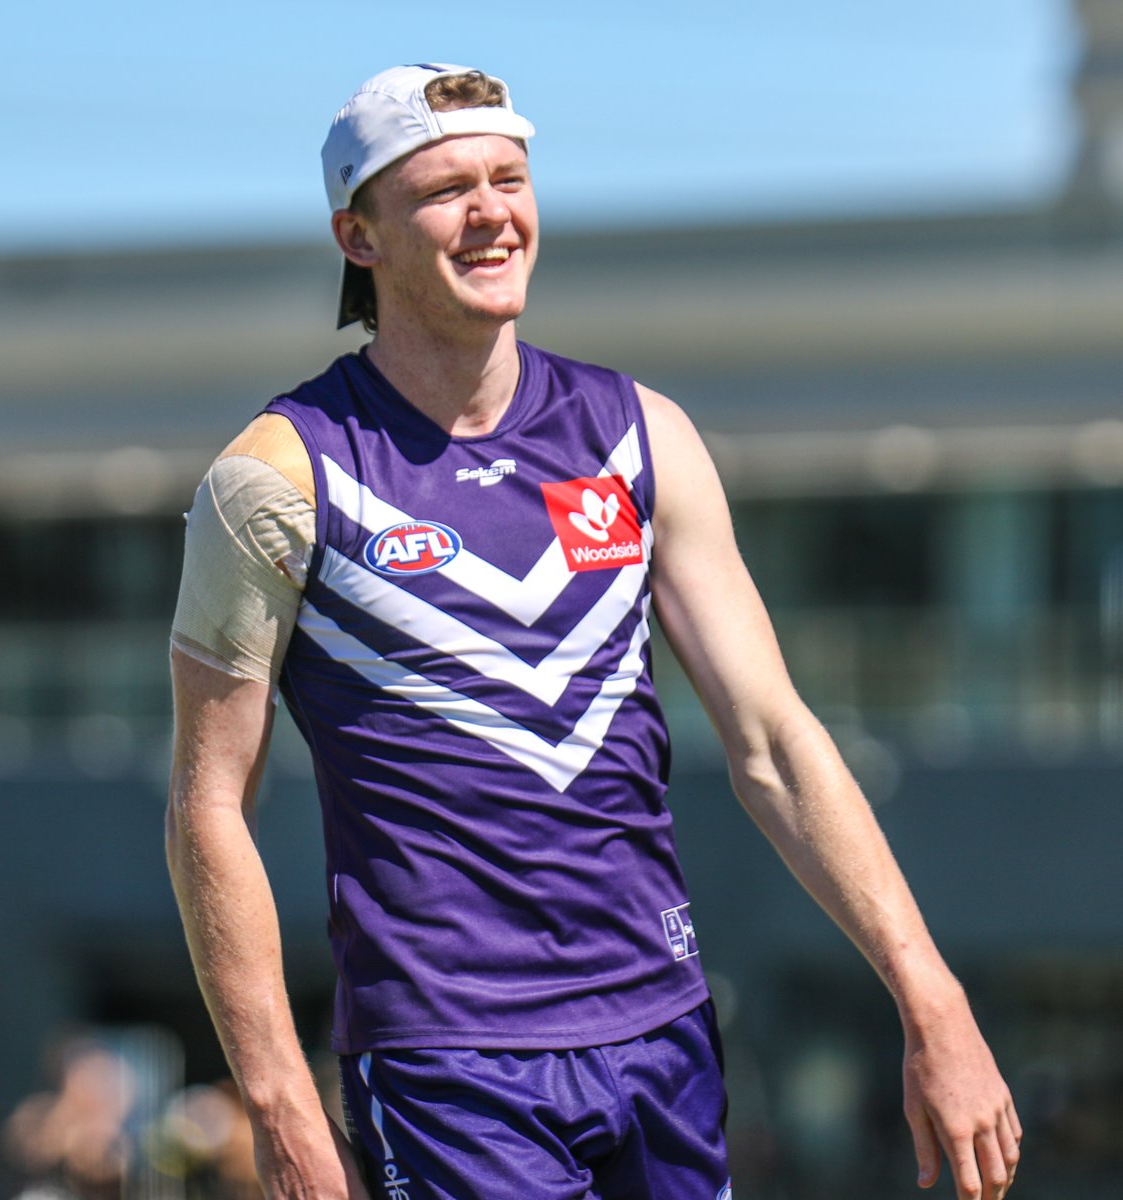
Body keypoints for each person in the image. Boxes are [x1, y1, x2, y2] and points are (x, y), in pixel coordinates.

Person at [166, 62, 1022, 1200]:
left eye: (509, 178)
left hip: (663, 1031)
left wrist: (930, 995)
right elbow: (206, 803)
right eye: (445, 189)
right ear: (358, 236)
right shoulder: (276, 477)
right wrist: (277, 1102)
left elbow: (774, 740)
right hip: (448, 1057)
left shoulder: (641, 436)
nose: (490, 212)